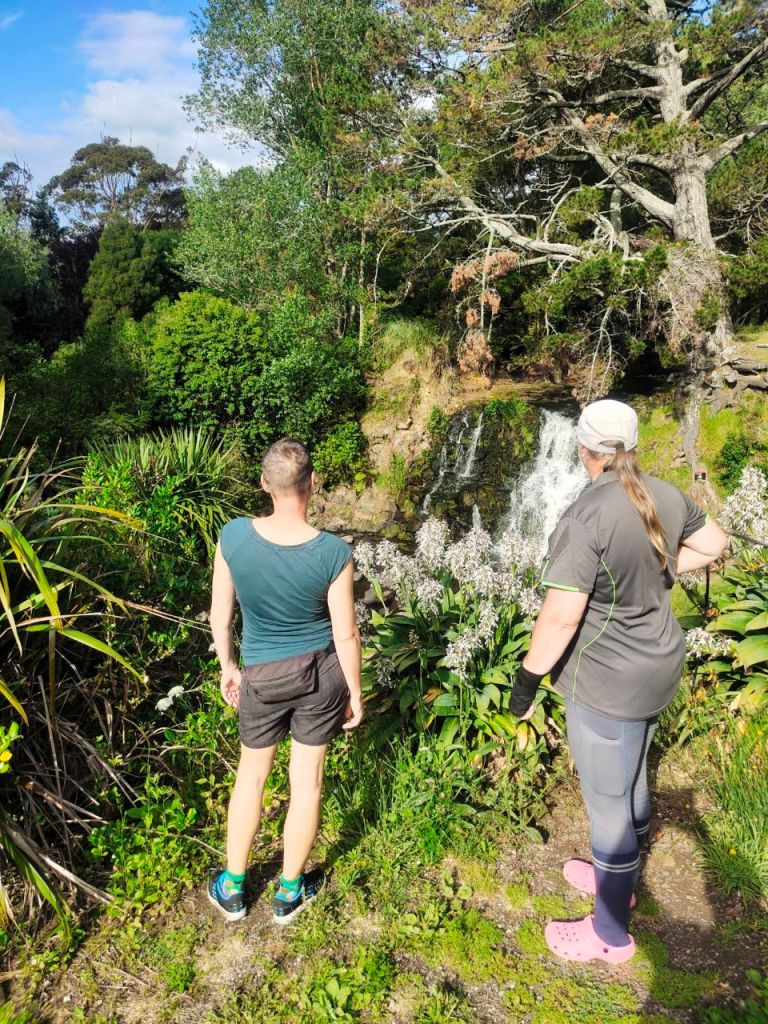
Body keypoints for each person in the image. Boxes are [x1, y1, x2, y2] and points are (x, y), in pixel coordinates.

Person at [508, 399, 728, 963]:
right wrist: (663, 564)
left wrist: (526, 682)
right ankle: (622, 875)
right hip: (659, 666)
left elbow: (561, 617)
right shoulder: (667, 494)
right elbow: (715, 545)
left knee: (607, 806)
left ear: (584, 449)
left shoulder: (586, 516)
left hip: (609, 683)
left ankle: (609, 932)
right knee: (630, 779)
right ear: (631, 446)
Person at [207, 438, 364, 924]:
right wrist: (356, 692)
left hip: (261, 677)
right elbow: (347, 633)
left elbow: (220, 615)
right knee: (307, 784)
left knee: (251, 777)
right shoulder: (334, 552)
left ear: (264, 484)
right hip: (321, 678)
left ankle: (233, 887)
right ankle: (289, 892)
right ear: (313, 483)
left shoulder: (233, 536)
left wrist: (228, 666)